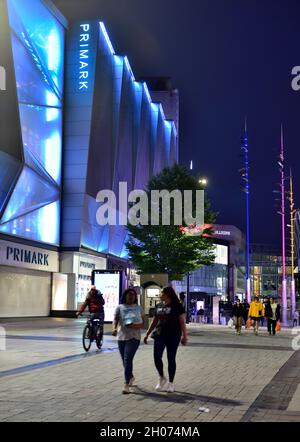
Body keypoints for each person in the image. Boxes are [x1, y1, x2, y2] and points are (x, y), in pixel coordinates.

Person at [144, 287, 188, 393]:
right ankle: (162, 377)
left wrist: (184, 336)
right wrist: (147, 333)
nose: (160, 294)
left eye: (162, 292)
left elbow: (182, 322)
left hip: (174, 335)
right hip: (160, 334)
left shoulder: (177, 306)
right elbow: (155, 320)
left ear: (168, 294)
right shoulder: (159, 305)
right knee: (157, 356)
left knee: (171, 358)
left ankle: (171, 383)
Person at [112, 288, 144, 394]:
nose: (131, 296)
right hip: (121, 337)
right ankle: (130, 376)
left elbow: (143, 323)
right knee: (124, 360)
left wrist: (134, 325)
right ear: (125, 295)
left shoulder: (139, 308)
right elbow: (115, 319)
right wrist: (114, 328)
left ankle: (126, 384)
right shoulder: (119, 307)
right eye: (129, 294)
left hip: (134, 337)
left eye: (133, 295)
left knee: (127, 358)